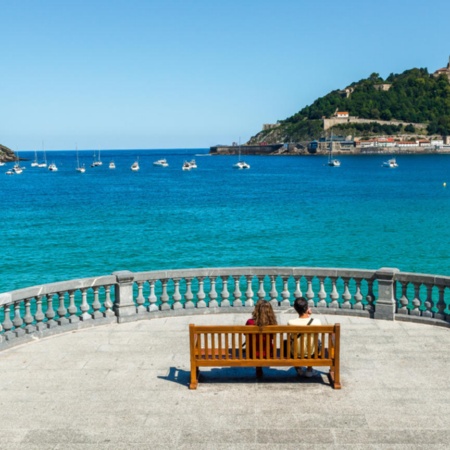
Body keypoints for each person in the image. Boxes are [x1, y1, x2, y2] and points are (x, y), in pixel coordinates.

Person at [288, 297, 321, 377]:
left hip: (296, 352)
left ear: (295, 309)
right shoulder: (316, 322)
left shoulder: (291, 323)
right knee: (317, 341)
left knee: (289, 342)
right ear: (307, 308)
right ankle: (309, 370)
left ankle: (298, 368)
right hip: (311, 352)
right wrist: (308, 316)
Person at [246, 300, 278, 378]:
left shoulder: (250, 322)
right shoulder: (272, 323)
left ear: (256, 310)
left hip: (252, 353)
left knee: (254, 344)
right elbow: (273, 337)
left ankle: (258, 368)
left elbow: (245, 334)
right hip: (268, 352)